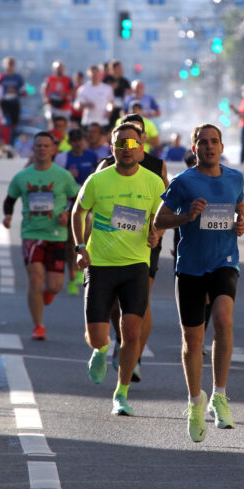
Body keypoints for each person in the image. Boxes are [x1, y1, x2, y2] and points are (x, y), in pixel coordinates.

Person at [154, 123, 244, 443]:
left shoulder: (235, 178)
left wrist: (242, 222)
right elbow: (158, 220)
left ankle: (219, 395)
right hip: (191, 266)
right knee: (192, 340)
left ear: (222, 146)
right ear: (194, 149)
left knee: (223, 319)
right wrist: (185, 217)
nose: (209, 147)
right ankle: (195, 401)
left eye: (214, 142)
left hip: (224, 261)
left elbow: (239, 206)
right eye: (203, 143)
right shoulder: (183, 182)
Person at [71, 122, 165, 416]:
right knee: (97, 335)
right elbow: (78, 211)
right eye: (120, 144)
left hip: (136, 265)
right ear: (112, 149)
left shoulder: (153, 182)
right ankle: (100, 351)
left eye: (132, 144)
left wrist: (156, 233)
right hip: (100, 265)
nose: (127, 149)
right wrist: (79, 247)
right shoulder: (98, 180)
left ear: (141, 148)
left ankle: (121, 393)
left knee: (131, 331)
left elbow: (159, 217)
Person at [96, 114, 169, 382]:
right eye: (124, 139)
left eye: (135, 136)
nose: (129, 144)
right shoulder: (106, 164)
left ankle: (134, 354)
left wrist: (157, 233)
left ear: (142, 139)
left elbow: (165, 206)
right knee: (117, 303)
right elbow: (91, 203)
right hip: (113, 242)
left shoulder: (157, 165)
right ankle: (121, 341)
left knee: (141, 301)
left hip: (145, 240)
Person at [3, 132, 80, 341]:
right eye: (38, 146)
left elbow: (77, 200)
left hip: (56, 234)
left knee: (54, 285)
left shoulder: (63, 176)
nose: (42, 149)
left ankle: (48, 293)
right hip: (32, 234)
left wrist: (66, 214)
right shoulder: (22, 176)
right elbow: (9, 199)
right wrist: (8, 216)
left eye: (46, 146)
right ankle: (38, 326)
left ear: (53, 150)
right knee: (35, 279)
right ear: (33, 149)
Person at [54, 128, 99, 295]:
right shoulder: (62, 158)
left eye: (80, 139)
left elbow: (98, 177)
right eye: (74, 140)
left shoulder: (92, 156)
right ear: (70, 142)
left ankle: (81, 269)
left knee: (87, 231)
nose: (78, 143)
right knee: (70, 244)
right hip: (68, 202)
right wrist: (68, 176)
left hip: (87, 201)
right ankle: (72, 277)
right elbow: (57, 182)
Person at [0, 56, 27, 145]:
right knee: (6, 122)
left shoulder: (18, 77)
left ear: (14, 65)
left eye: (12, 64)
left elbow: (23, 91)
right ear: (5, 65)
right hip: (4, 103)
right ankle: (5, 142)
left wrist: (17, 92)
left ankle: (12, 143)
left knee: (15, 124)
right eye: (8, 64)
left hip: (15, 102)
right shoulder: (1, 77)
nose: (10, 66)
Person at [108, 60, 132, 127]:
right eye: (119, 68)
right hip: (109, 108)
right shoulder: (107, 79)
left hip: (121, 106)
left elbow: (129, 92)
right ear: (113, 68)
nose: (121, 70)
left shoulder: (124, 81)